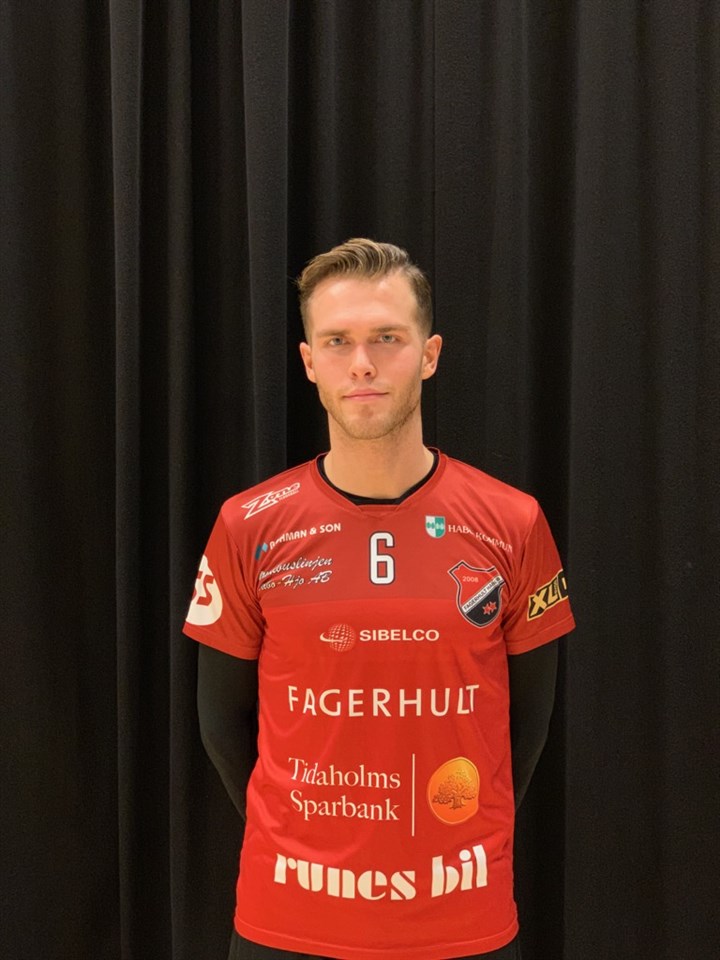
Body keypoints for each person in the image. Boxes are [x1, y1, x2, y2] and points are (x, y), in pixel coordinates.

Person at [184, 239, 575, 960]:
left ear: (429, 354)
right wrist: (297, 838)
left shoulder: (514, 522)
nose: (362, 363)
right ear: (309, 363)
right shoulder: (247, 525)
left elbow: (526, 727)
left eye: (387, 338)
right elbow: (220, 723)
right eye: (338, 342)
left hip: (462, 921)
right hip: (288, 920)